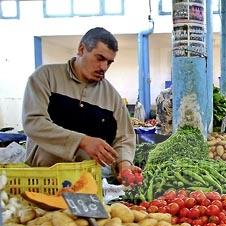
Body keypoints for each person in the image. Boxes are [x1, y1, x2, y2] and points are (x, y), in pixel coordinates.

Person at [22, 27, 140, 183]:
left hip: (89, 183)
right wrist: (82, 141)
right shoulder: (45, 77)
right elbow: (34, 123)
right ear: (81, 49)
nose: (104, 67)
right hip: (43, 180)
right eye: (99, 58)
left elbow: (124, 138)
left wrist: (124, 164)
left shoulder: (112, 97)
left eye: (109, 62)